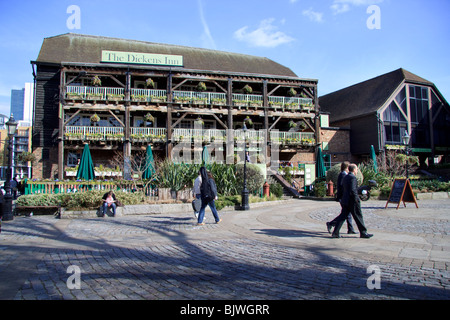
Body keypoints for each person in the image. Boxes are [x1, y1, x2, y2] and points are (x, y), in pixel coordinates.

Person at [331, 164, 373, 239]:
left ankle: (335, 232)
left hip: (345, 200)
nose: (357, 171)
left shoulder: (346, 177)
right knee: (358, 216)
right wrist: (357, 199)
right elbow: (353, 190)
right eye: (356, 169)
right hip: (352, 201)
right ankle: (363, 232)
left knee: (343, 216)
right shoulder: (352, 177)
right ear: (353, 170)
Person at [326, 162, 356, 234]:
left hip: (343, 197)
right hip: (343, 197)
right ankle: (331, 223)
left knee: (347, 213)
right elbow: (343, 187)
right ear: (347, 167)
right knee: (345, 214)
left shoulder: (342, 174)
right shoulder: (343, 175)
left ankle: (350, 229)